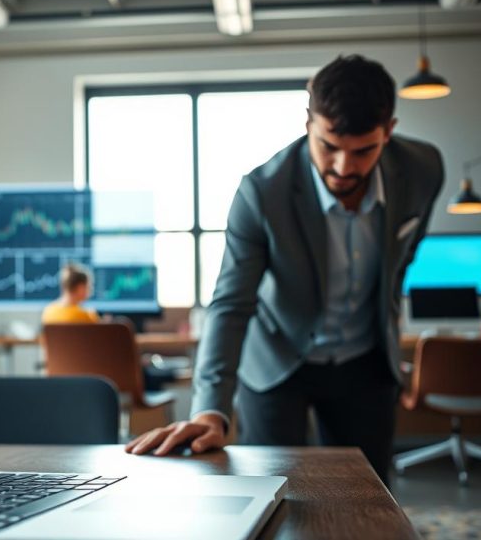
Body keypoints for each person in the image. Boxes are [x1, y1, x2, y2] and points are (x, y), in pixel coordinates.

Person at [124, 55, 444, 484]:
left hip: (366, 360)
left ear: (389, 131)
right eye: (329, 146)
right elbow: (231, 304)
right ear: (308, 122)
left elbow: (404, 254)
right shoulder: (262, 192)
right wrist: (210, 408)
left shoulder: (423, 169)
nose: (344, 168)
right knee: (274, 495)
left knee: (367, 497)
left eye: (363, 150)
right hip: (277, 360)